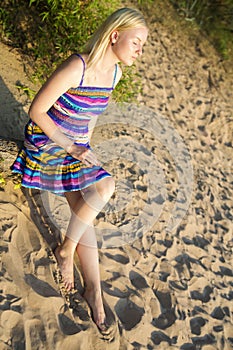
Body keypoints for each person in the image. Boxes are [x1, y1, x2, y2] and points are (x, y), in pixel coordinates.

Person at [12, 7, 148, 331]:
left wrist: (86, 147)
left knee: (82, 208)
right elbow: (37, 111)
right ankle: (65, 251)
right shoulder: (79, 67)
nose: (140, 51)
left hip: (74, 147)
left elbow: (91, 116)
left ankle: (94, 290)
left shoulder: (114, 75)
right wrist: (71, 146)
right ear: (115, 35)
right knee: (104, 188)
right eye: (137, 42)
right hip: (47, 142)